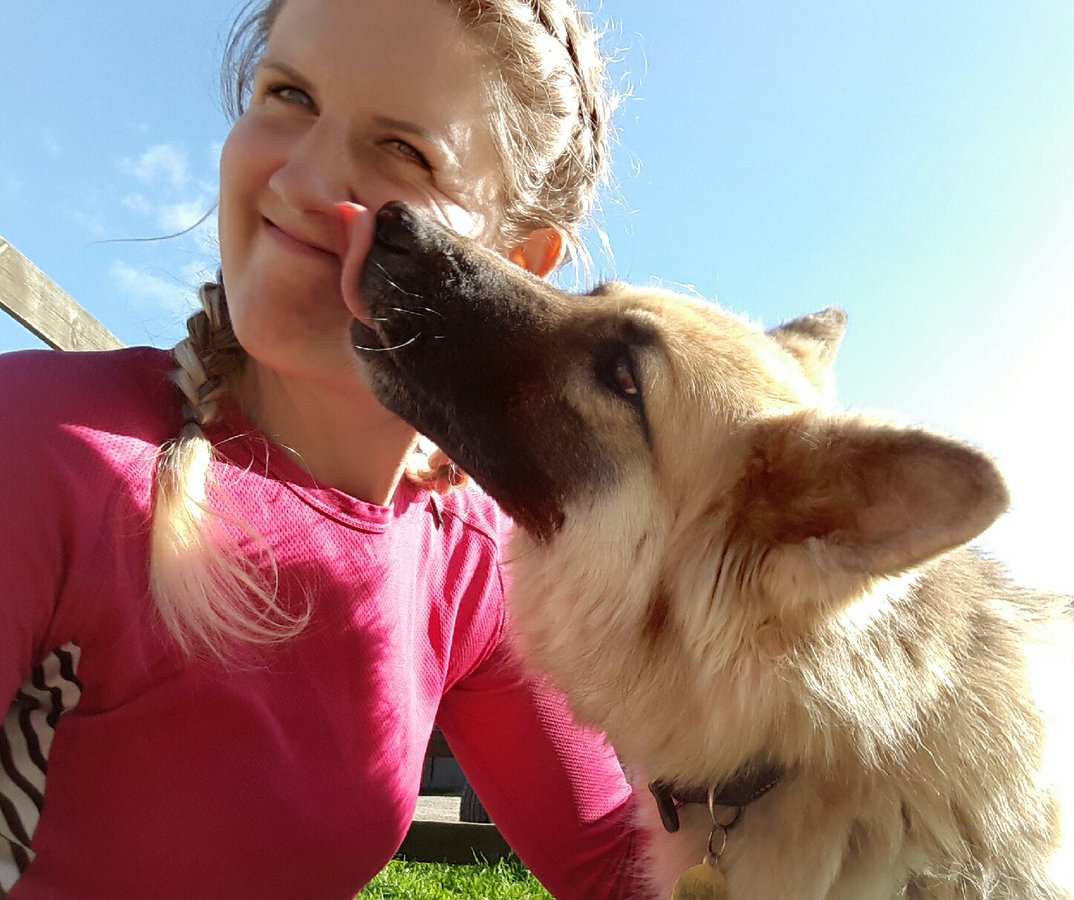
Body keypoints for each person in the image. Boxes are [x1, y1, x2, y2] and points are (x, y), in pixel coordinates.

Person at [0, 0, 647, 896]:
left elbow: (622, 873)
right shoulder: (39, 452)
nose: (304, 181)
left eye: (405, 151)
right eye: (290, 93)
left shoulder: (472, 565)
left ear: (519, 266)